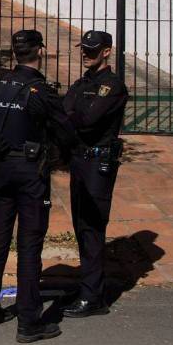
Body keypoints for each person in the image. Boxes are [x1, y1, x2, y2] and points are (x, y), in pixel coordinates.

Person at [0, 29, 72, 343]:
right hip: (31, 171)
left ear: (17, 53)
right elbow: (65, 130)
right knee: (30, 247)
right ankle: (29, 323)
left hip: (2, 169)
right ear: (40, 52)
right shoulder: (40, 90)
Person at [62, 30, 129, 317]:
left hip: (98, 165)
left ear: (106, 52)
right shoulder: (83, 83)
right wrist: (75, 114)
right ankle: (90, 286)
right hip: (80, 161)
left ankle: (93, 297)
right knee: (81, 224)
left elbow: (88, 121)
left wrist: (74, 115)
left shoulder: (112, 86)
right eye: (84, 49)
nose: (86, 54)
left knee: (91, 227)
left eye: (92, 50)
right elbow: (65, 112)